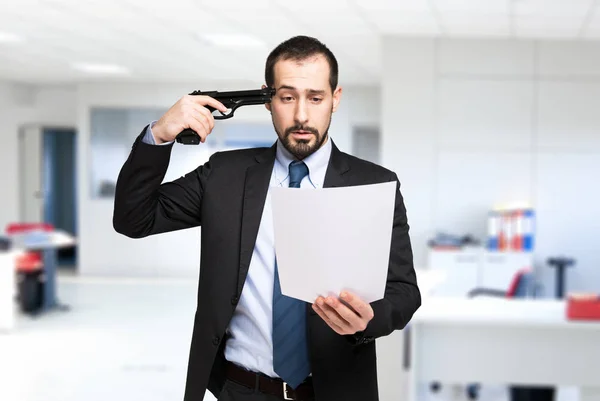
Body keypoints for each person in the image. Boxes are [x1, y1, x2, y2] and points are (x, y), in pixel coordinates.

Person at [113, 35, 421, 401]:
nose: (302, 115)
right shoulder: (224, 175)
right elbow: (134, 218)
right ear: (267, 98)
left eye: (316, 98)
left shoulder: (375, 183)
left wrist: (370, 319)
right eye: (288, 97)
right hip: (241, 389)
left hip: (335, 391)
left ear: (335, 99)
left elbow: (404, 292)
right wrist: (159, 135)